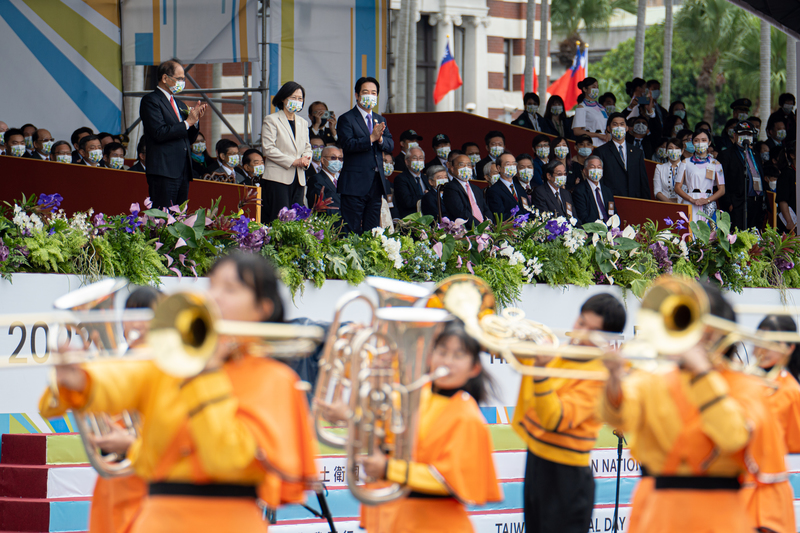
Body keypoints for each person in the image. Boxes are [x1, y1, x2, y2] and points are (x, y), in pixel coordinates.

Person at [40, 252, 318, 533]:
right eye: (212, 286)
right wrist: (80, 378)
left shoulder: (274, 379)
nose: (215, 297)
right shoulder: (170, 361)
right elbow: (121, 380)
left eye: (231, 289)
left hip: (232, 521)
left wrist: (206, 373)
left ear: (263, 309)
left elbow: (228, 457)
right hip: (158, 519)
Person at [599, 284, 782, 533]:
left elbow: (733, 437)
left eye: (704, 331)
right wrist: (613, 381)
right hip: (658, 514)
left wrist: (702, 375)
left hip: (720, 517)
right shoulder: (655, 379)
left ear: (720, 332)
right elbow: (619, 418)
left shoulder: (746, 385)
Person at [349, 321, 502, 532]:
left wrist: (387, 469)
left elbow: (448, 481)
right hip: (397, 519)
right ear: (430, 356)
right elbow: (373, 418)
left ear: (474, 368)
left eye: (458, 355)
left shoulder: (467, 416)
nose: (447, 361)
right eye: (442, 352)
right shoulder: (417, 395)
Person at [514, 294, 625, 533]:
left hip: (567, 476)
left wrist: (541, 371)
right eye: (581, 322)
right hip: (537, 461)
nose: (581, 332)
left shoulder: (599, 376)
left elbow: (554, 419)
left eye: (592, 331)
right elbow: (519, 359)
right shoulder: (559, 351)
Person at [83, 286, 160, 533]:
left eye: (147, 315)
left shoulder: (171, 368)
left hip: (152, 487)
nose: (137, 322)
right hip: (115, 486)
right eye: (131, 314)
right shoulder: (114, 366)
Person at [139, 60, 205, 208]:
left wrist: (194, 122)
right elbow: (159, 132)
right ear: (164, 78)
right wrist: (187, 122)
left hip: (182, 171)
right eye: (179, 78)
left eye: (183, 79)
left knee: (180, 216)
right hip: (164, 170)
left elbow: (187, 138)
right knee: (163, 217)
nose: (182, 82)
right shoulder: (151, 101)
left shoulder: (180, 104)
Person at [338, 76, 394, 234]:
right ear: (357, 95)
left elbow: (390, 145)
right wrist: (371, 138)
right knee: (352, 229)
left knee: (373, 230)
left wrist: (381, 138)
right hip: (354, 184)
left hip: (376, 184)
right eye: (366, 92)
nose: (370, 95)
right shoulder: (346, 119)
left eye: (374, 92)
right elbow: (347, 144)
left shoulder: (380, 119)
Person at [260, 81, 312, 222]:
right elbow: (268, 148)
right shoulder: (272, 120)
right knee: (279, 218)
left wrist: (306, 159)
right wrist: (293, 161)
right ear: (283, 98)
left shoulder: (303, 122)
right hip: (278, 178)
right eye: (293, 97)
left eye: (300, 98)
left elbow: (308, 147)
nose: (297, 101)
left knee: (297, 218)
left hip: (299, 177)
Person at [718, 121, 766, 230]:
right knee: (738, 235)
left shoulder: (755, 154)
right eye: (742, 134)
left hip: (756, 202)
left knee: (754, 236)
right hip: (737, 203)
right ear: (735, 136)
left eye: (749, 134)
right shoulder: (726, 155)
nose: (746, 137)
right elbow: (721, 180)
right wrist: (728, 204)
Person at [594, 113, 650, 199]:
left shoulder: (637, 152)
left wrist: (646, 203)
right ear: (609, 128)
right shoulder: (601, 151)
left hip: (634, 199)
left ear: (627, 128)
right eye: (615, 124)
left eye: (622, 124)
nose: (619, 127)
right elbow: (599, 180)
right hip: (612, 199)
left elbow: (643, 180)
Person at [674, 130, 725, 223]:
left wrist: (707, 200)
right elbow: (677, 187)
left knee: (708, 234)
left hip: (708, 203)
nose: (700, 143)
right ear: (692, 143)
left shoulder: (716, 164)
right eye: (696, 140)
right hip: (690, 201)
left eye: (703, 140)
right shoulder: (685, 162)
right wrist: (691, 199)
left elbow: (722, 189)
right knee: (690, 231)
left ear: (709, 142)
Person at [442, 153, 490, 227]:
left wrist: (490, 223)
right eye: (461, 165)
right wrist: (480, 227)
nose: (466, 168)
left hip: (485, 229)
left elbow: (485, 209)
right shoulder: (450, 188)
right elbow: (461, 212)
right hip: (467, 230)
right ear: (452, 169)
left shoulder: (476, 188)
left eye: (468, 165)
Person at [486, 151, 528, 221]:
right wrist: (519, 219)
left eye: (514, 164)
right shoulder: (494, 190)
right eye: (508, 164)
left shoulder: (519, 187)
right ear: (499, 168)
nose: (512, 167)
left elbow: (527, 208)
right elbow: (500, 215)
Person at [573, 156, 615, 224]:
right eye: (592, 167)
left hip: (609, 229)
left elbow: (613, 213)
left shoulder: (607, 191)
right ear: (585, 171)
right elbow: (583, 217)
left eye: (599, 167)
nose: (596, 170)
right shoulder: (579, 191)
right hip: (593, 229)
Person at [572, 77, 610, 147]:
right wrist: (597, 135)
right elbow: (577, 131)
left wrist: (608, 133)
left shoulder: (601, 107)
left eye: (597, 87)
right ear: (585, 89)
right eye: (593, 87)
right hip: (592, 144)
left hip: (605, 144)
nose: (596, 89)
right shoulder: (582, 107)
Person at [393, 147, 430, 219]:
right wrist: (427, 196)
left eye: (421, 158)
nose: (418, 161)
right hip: (410, 218)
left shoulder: (425, 178)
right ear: (407, 161)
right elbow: (407, 202)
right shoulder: (401, 178)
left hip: (427, 216)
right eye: (415, 158)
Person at [306, 145, 342, 215]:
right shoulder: (316, 180)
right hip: (330, 223)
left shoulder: (341, 180)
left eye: (340, 158)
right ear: (323, 160)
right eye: (333, 158)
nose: (337, 161)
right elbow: (320, 208)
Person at [653, 138, 686, 203]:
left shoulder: (686, 167)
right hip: (665, 205)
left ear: (682, 151)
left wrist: (682, 202)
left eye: (677, 148)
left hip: (684, 204)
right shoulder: (659, 168)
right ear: (666, 151)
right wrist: (670, 203)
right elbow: (657, 192)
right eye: (670, 148)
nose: (674, 150)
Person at [776, 141, 797, 233]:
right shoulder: (787, 174)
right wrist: (789, 221)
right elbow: (782, 200)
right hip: (792, 224)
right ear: (792, 155)